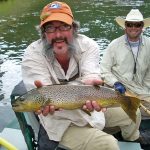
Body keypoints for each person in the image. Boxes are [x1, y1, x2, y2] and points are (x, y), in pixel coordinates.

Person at [21, 2, 140, 150]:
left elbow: (90, 74)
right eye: (50, 28)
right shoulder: (32, 54)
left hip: (89, 108)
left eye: (64, 26)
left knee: (134, 112)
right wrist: (42, 102)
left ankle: (131, 142)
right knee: (107, 144)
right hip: (59, 121)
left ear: (74, 29)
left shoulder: (89, 45)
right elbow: (42, 92)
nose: (58, 35)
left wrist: (92, 82)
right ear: (43, 32)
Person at [100, 9, 150, 117]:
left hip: (141, 90)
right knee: (130, 111)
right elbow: (103, 69)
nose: (133, 28)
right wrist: (115, 83)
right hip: (119, 90)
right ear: (125, 26)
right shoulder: (114, 45)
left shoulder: (149, 44)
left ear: (142, 27)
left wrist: (145, 89)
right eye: (129, 24)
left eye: (137, 25)